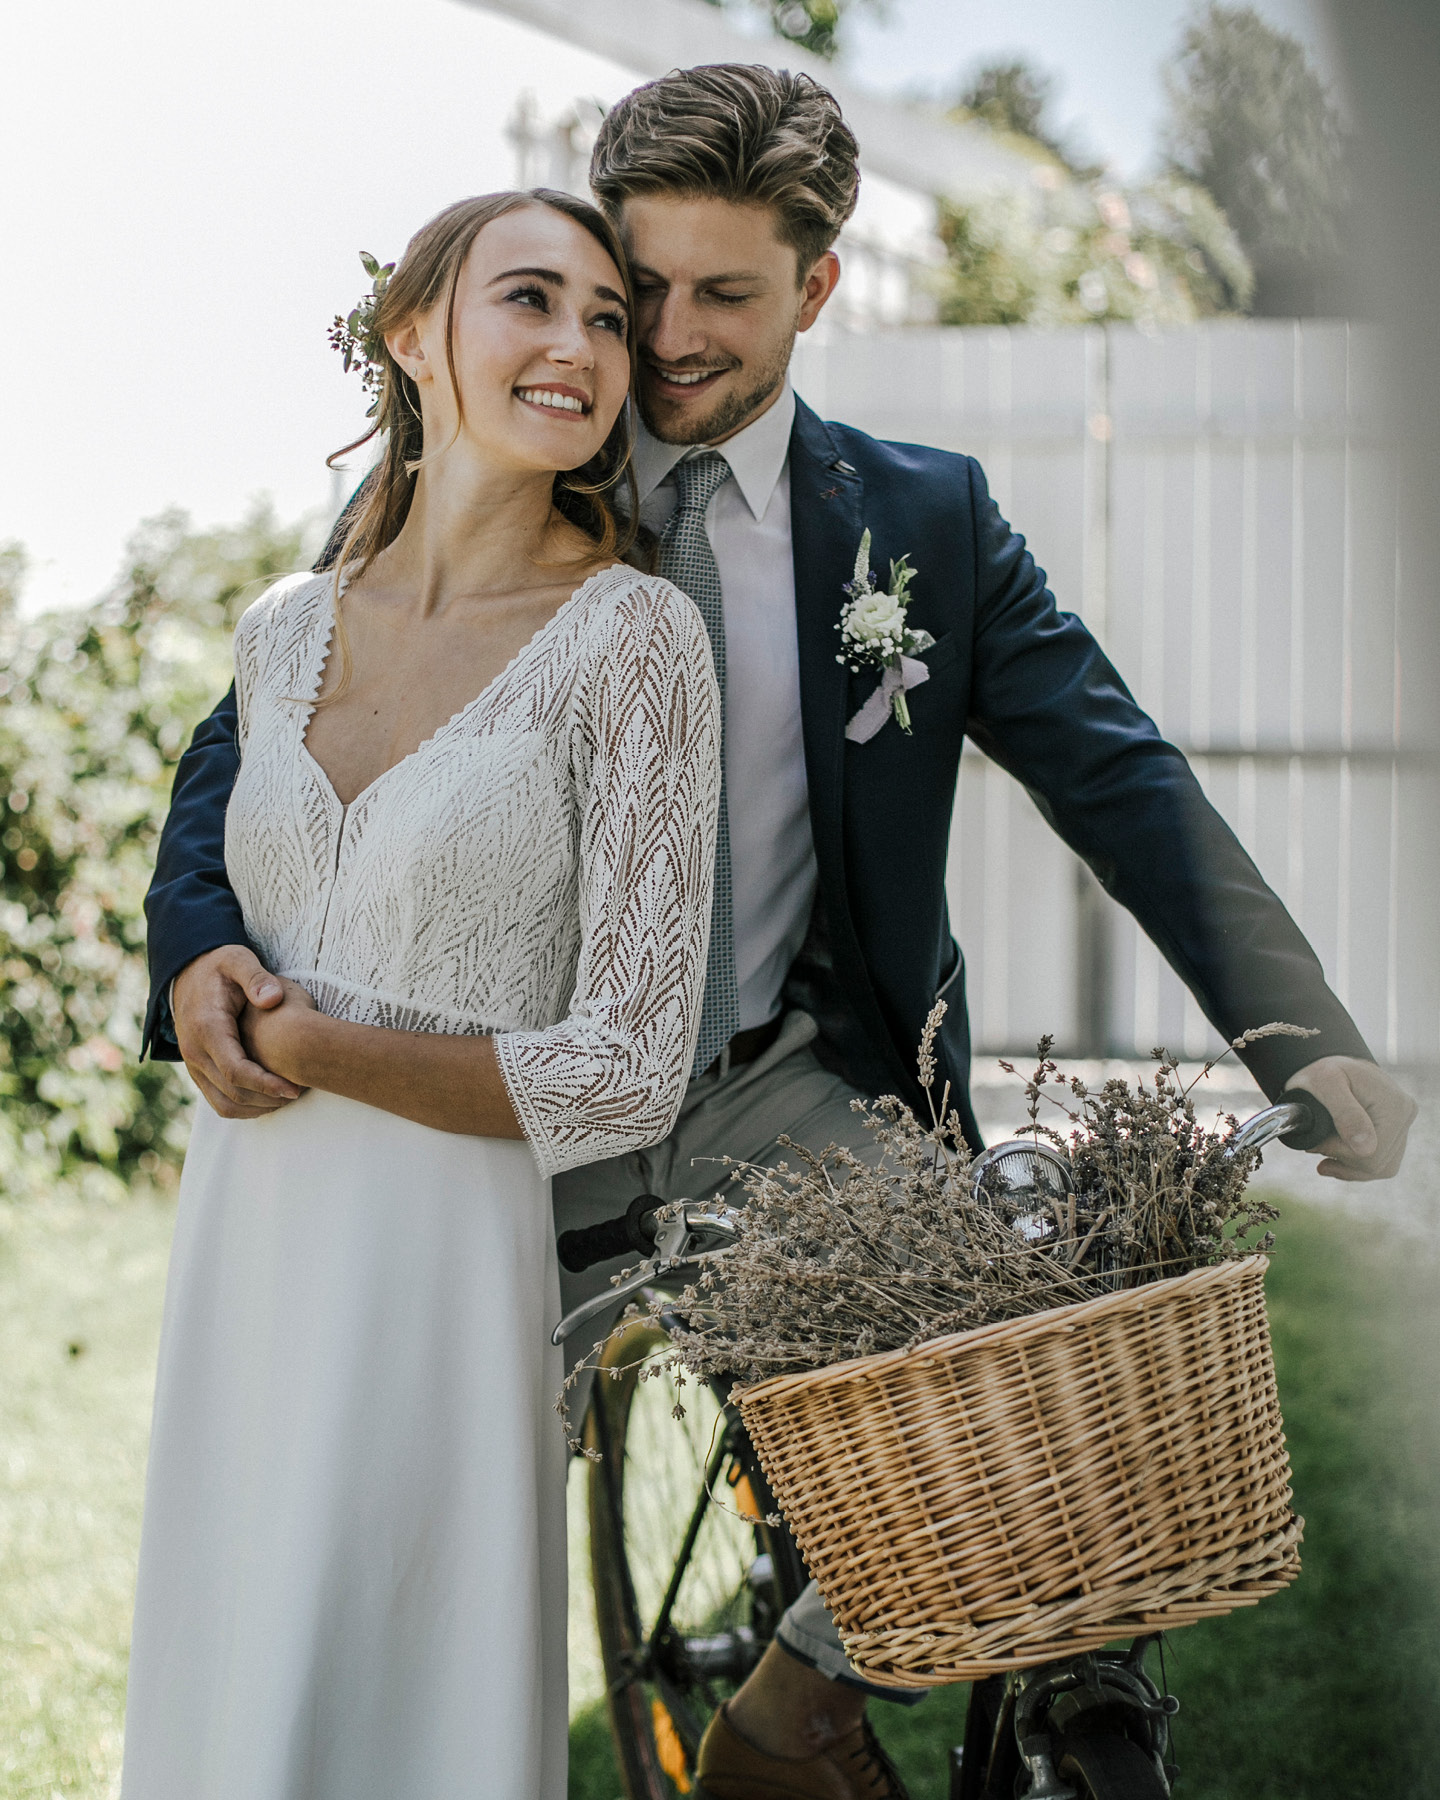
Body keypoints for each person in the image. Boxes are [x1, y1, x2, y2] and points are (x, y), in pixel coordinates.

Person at [141, 67, 1417, 1800]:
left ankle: (797, 1710)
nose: (656, 341)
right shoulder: (493, 452)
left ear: (818, 287)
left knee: (1029, 1408)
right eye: (632, 282)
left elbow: (1123, 781)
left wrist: (1300, 1026)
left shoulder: (923, 527)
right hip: (488, 1114)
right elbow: (258, 746)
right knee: (363, 1507)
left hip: (773, 1083)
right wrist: (197, 949)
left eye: (718, 295)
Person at [121, 190, 721, 1800]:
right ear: (413, 336)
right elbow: (215, 880)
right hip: (247, 1226)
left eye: (608, 319)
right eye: (531, 299)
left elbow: (625, 1071)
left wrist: (315, 1039)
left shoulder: (637, 643)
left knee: (396, 1679)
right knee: (235, 1659)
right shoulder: (281, 629)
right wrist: (203, 976)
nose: (578, 346)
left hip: (442, 1263)